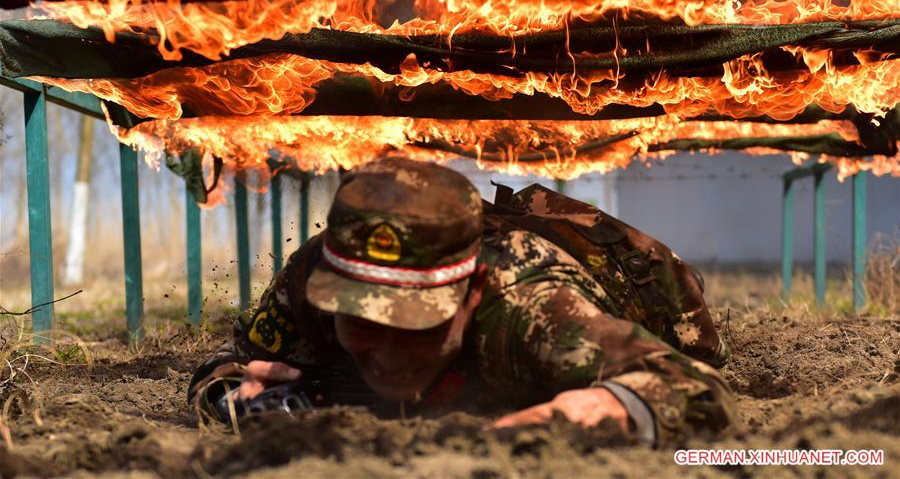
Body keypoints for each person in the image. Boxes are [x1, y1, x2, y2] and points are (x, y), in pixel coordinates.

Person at [189, 157, 735, 445]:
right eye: (362, 321)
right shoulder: (312, 280)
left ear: (471, 294)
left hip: (645, 286)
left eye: (415, 323)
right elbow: (230, 367)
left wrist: (617, 405)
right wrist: (231, 394)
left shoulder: (533, 310)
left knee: (699, 349)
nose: (386, 351)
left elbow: (696, 386)